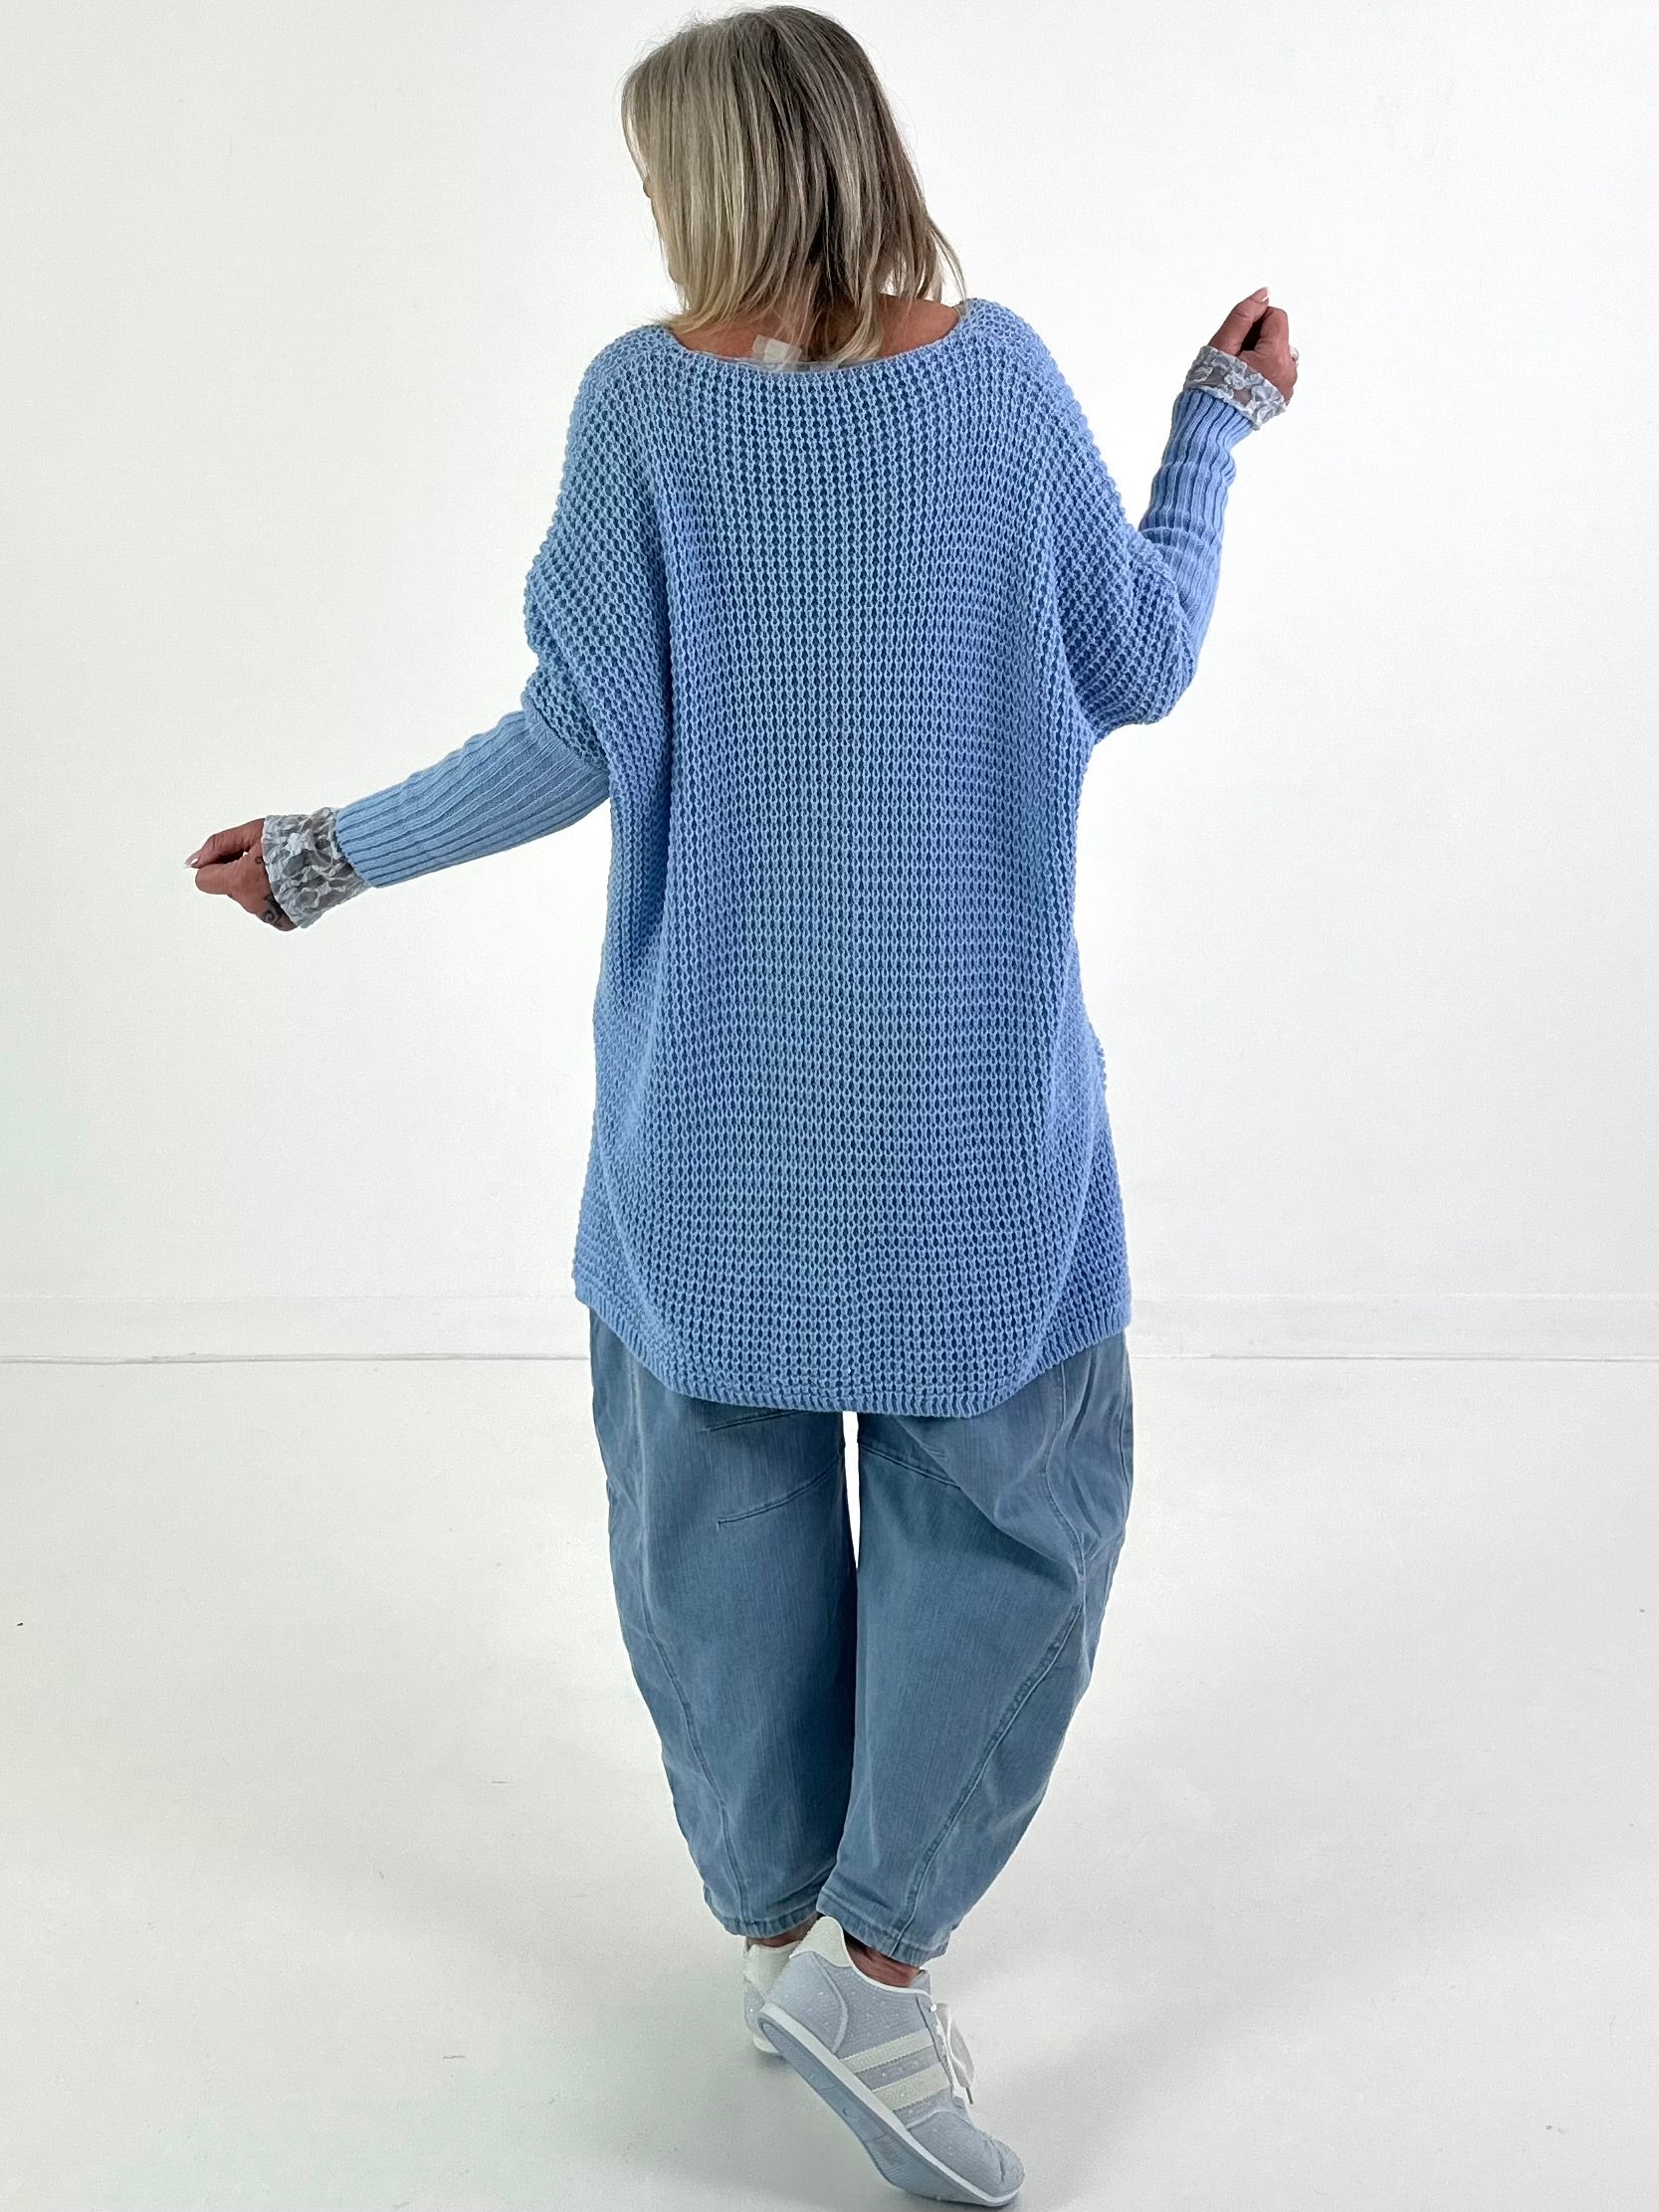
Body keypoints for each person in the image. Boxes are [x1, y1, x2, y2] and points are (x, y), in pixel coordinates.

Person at [186, 7, 1297, 2202]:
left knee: (718, 1536)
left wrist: (326, 855)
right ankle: (873, 1962)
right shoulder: (997, 385)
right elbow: (1144, 656)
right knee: (1014, 1518)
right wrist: (1215, 430)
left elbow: (563, 739)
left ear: (706, 182)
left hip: (710, 1125)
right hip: (970, 1122)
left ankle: (786, 1933)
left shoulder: (642, 407)